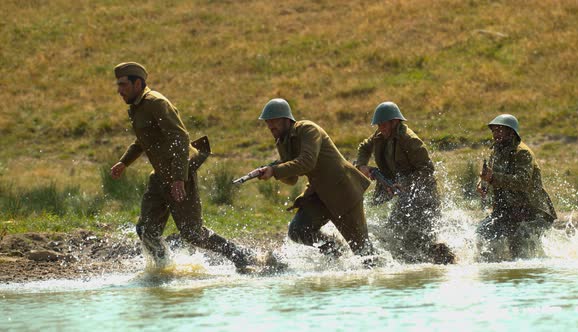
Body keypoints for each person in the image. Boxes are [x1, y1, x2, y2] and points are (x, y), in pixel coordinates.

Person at [110, 62, 261, 271]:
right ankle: (164, 269)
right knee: (146, 230)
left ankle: (240, 255)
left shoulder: (156, 103)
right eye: (118, 85)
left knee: (192, 233)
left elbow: (180, 137)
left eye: (123, 85)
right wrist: (124, 162)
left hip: (180, 172)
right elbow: (144, 139)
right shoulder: (137, 107)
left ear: (138, 83)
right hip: (159, 176)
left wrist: (179, 178)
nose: (119, 91)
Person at [257, 98, 375, 258]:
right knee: (298, 230)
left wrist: (275, 170)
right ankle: (336, 254)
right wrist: (270, 171)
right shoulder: (282, 141)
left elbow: (307, 162)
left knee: (364, 253)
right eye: (267, 122)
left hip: (344, 193)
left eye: (274, 121)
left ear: (286, 119)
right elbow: (292, 179)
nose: (270, 126)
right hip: (320, 195)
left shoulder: (307, 129)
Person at [355, 101, 454, 264]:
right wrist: (362, 165)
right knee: (396, 233)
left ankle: (448, 260)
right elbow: (364, 147)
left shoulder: (411, 140)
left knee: (423, 240)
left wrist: (406, 184)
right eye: (378, 125)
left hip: (424, 199)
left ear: (395, 122)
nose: (380, 128)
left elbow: (427, 170)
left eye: (384, 125)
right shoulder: (380, 136)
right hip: (404, 197)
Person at [476, 114, 556, 261]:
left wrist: (493, 178)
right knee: (481, 233)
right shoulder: (496, 151)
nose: (495, 134)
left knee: (520, 250)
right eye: (494, 130)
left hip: (531, 211)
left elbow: (523, 182)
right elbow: (488, 175)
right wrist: (483, 184)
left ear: (511, 133)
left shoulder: (523, 153)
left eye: (500, 130)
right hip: (507, 209)